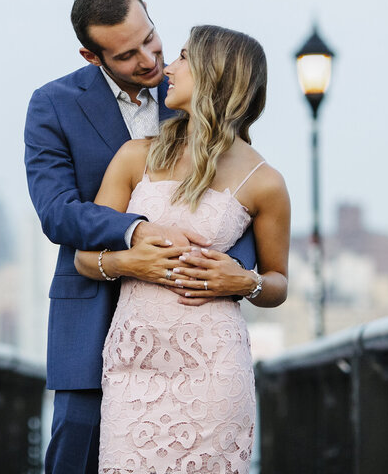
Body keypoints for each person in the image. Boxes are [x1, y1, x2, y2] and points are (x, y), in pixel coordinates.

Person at [24, 0, 258, 474]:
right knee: (75, 454)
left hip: (192, 338)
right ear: (92, 57)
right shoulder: (52, 105)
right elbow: (57, 211)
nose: (150, 61)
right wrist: (134, 236)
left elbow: (239, 202)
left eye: (151, 38)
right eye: (128, 55)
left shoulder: (192, 89)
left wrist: (241, 275)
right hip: (88, 321)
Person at [74, 24, 291, 474]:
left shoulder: (266, 182)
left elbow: (278, 283)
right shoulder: (136, 156)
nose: (168, 67)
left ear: (215, 73)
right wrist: (132, 263)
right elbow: (83, 257)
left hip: (213, 367)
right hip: (133, 365)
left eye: (184, 57)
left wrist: (245, 281)